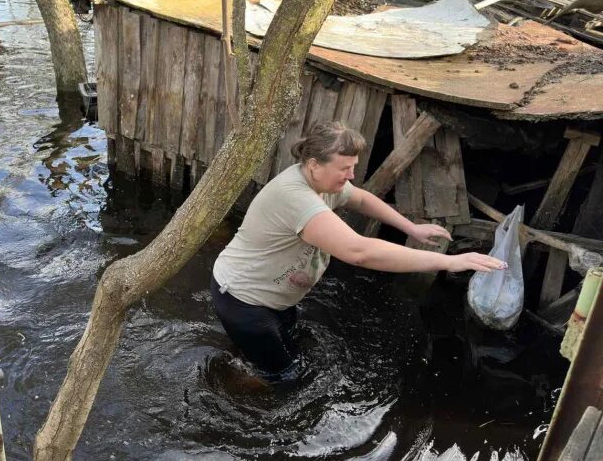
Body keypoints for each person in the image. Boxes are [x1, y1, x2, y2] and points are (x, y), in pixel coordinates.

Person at [211, 121, 507, 381]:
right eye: (344, 168)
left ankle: (244, 358)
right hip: (243, 300)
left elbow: (361, 200)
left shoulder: (321, 182)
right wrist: (448, 261)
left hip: (272, 297)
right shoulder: (295, 197)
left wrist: (412, 228)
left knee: (283, 346)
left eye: (353, 166)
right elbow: (359, 252)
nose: (350, 176)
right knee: (284, 377)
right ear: (313, 164)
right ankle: (233, 383)